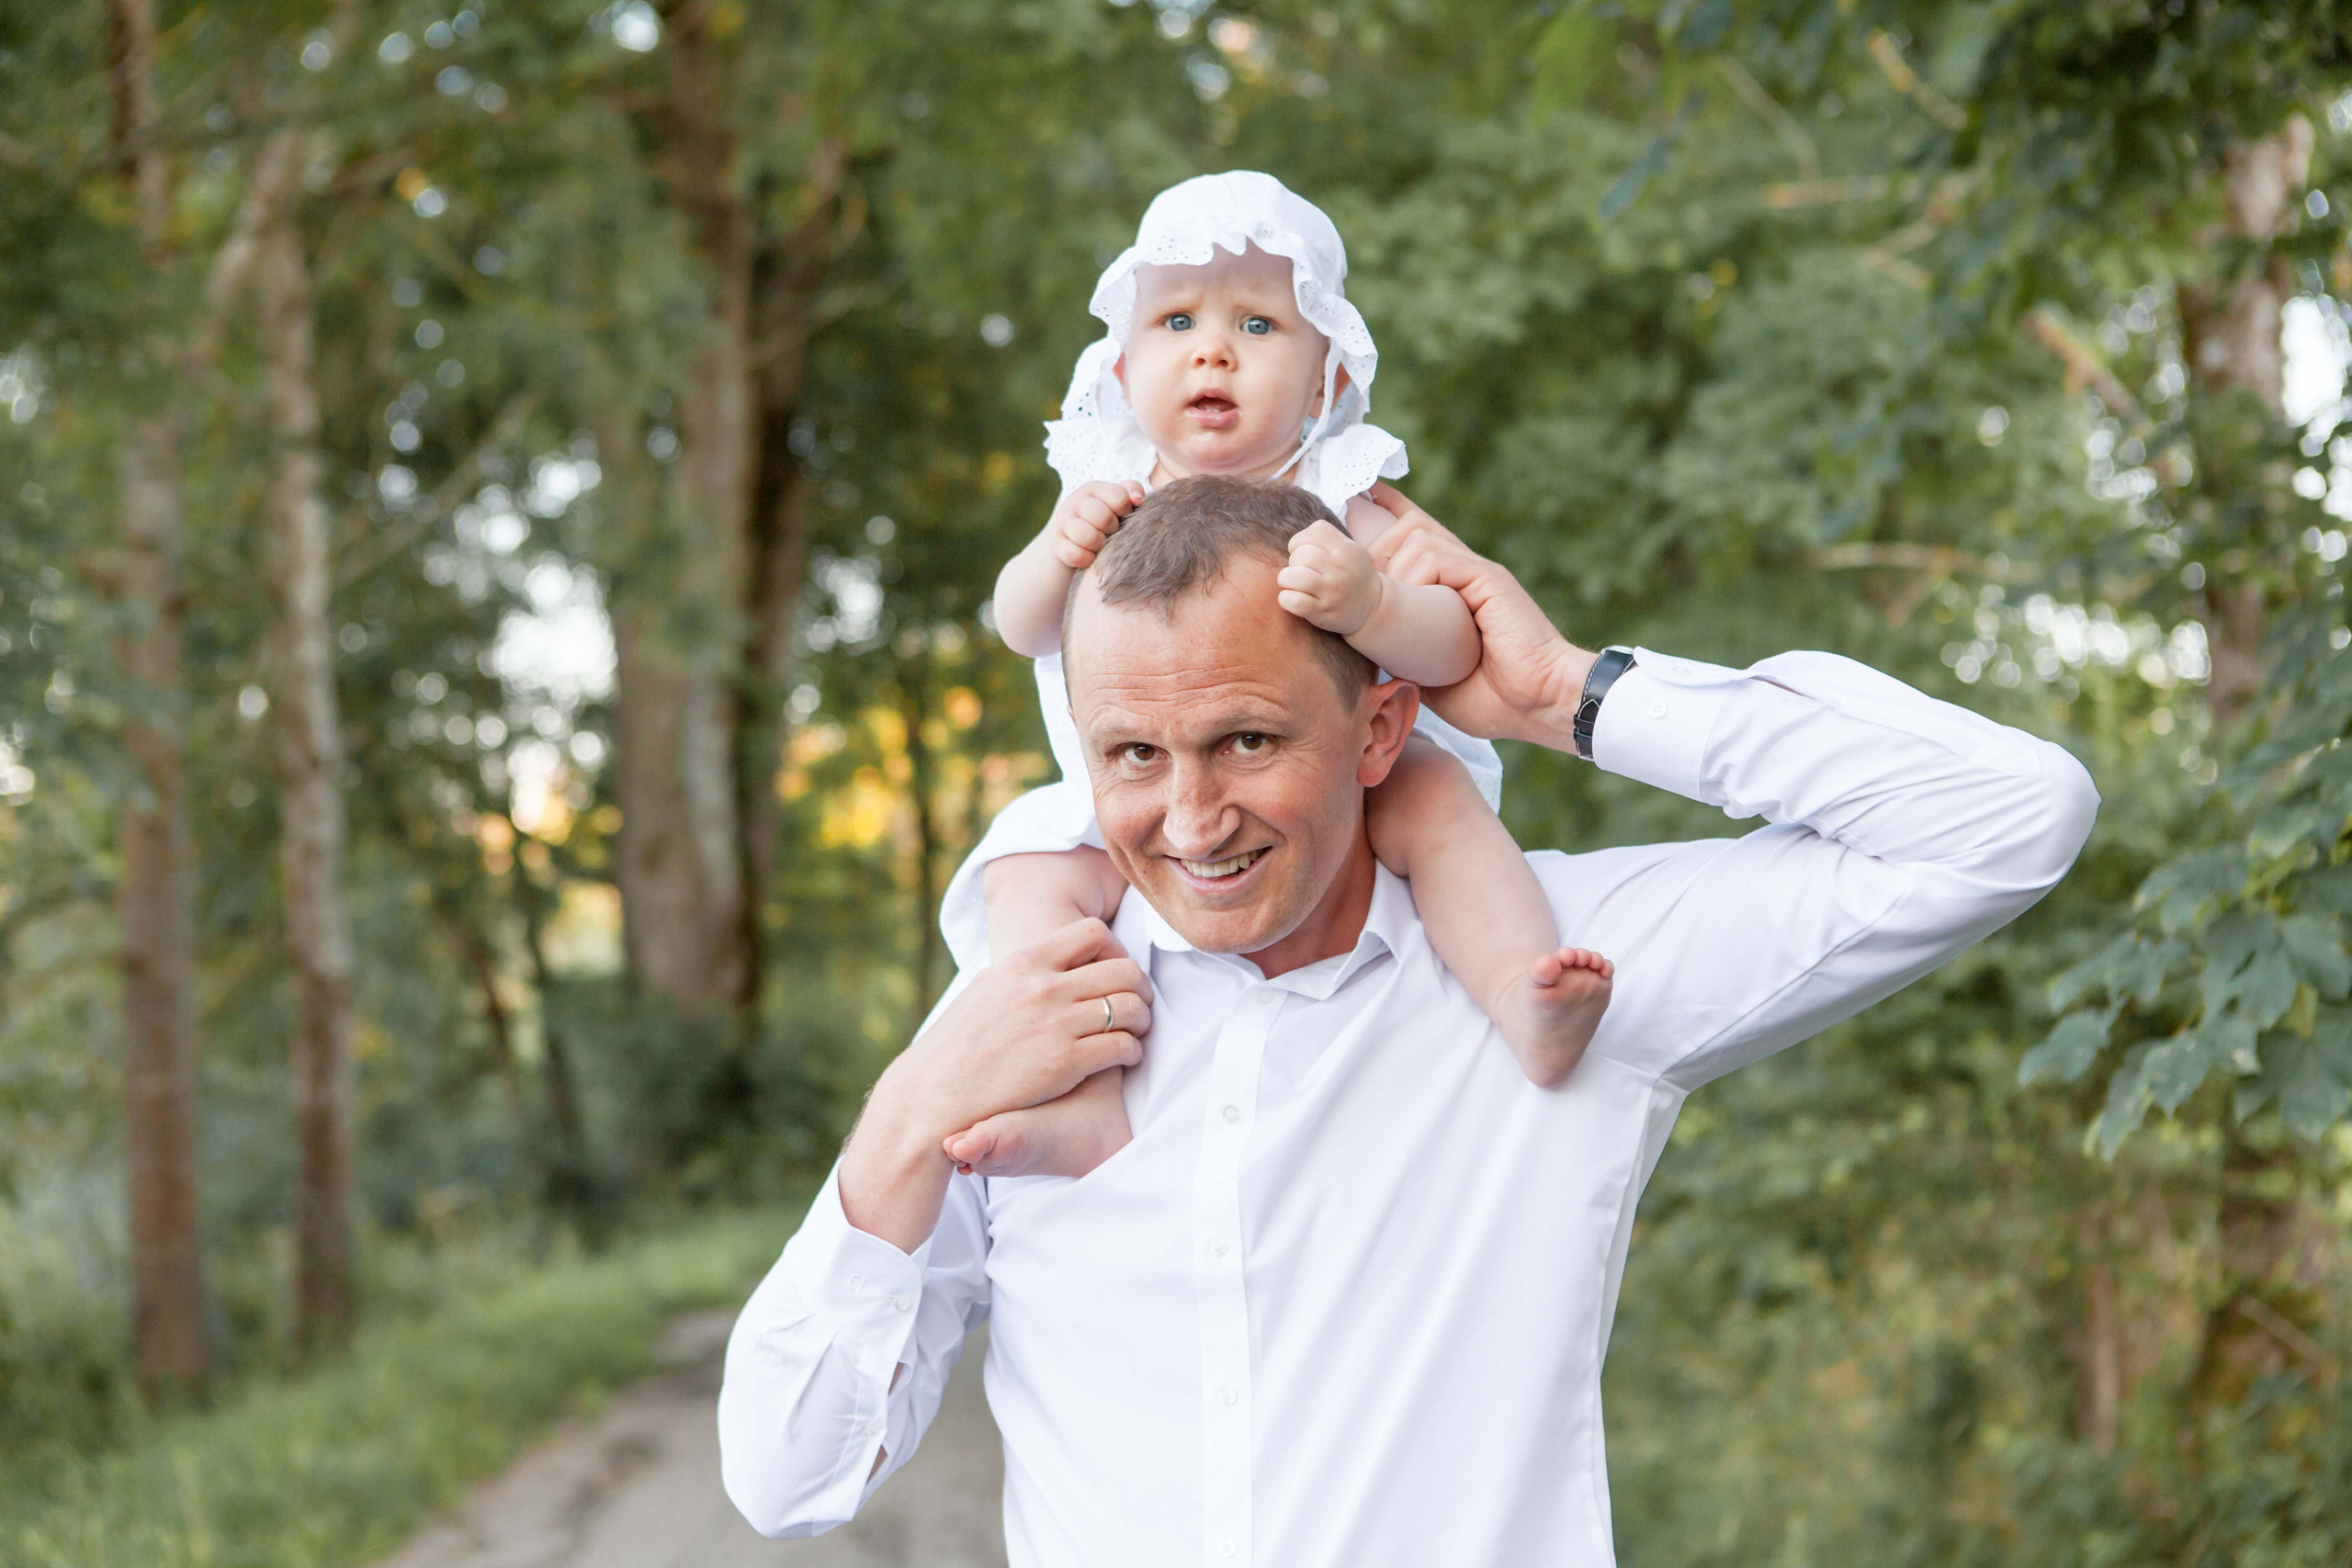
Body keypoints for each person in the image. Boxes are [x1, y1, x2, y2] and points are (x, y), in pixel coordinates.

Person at [717, 478, 2100, 1568]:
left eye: (1247, 740)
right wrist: (904, 1114)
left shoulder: (1554, 975)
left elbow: (2007, 819)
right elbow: (789, 1475)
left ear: (1382, 730)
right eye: (1133, 754)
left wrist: (1569, 692)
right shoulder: (1025, 1025)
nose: (1189, 820)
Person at [957, 171, 1609, 1180]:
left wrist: (1376, 605)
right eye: (1176, 321)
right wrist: (1055, 552)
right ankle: (1080, 1098)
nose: (1212, 348)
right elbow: (1019, 626)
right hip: (1129, 788)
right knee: (1027, 880)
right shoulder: (1105, 487)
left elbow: (1457, 646)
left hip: (1352, 776)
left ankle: (1524, 996)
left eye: (1258, 326)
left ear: (1325, 383)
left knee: (1435, 808)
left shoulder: (1343, 497)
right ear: (1126, 370)